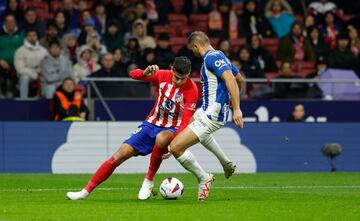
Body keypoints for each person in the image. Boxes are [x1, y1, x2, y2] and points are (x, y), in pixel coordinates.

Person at [66, 57, 199, 200]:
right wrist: (145, 73)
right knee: (118, 156)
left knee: (161, 139)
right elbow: (132, 74)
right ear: (172, 69)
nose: (179, 82)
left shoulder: (192, 90)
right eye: (177, 78)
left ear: (189, 74)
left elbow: (185, 121)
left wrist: (175, 144)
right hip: (150, 124)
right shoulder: (162, 75)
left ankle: (148, 181)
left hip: (172, 128)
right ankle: (84, 192)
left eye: (183, 79)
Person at [164, 31, 244, 200]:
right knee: (186, 132)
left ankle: (204, 178)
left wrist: (236, 108)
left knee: (176, 147)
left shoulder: (210, 58)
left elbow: (230, 79)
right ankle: (226, 163)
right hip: (207, 110)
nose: (193, 53)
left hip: (211, 114)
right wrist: (229, 101)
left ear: (195, 46)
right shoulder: (221, 55)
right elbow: (240, 80)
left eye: (192, 50)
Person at [14, 28, 47, 99]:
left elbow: (47, 65)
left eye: (34, 35)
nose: (32, 38)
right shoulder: (20, 51)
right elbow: (20, 69)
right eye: (29, 35)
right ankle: (23, 99)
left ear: (37, 37)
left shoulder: (43, 50)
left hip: (41, 73)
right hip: (27, 74)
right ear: (26, 37)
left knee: (49, 78)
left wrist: (42, 73)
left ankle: (45, 100)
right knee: (24, 78)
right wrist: (35, 75)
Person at [0, 14, 24, 97]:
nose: (10, 23)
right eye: (7, 21)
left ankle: (12, 94)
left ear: (15, 22)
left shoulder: (21, 34)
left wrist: (18, 62)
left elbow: (24, 49)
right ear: (4, 23)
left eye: (12, 21)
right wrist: (0, 60)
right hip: (1, 63)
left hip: (17, 63)